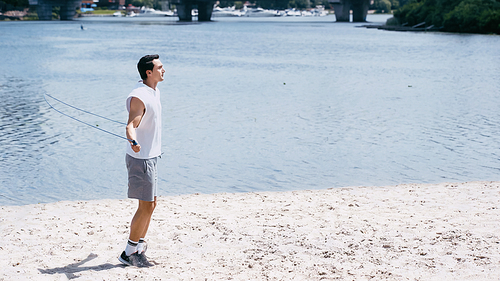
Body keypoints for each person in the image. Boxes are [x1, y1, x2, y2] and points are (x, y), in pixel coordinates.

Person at [118, 54, 165, 267]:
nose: (164, 70)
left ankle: (138, 248)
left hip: (152, 156)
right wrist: (133, 140)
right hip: (142, 158)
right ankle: (128, 253)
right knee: (145, 206)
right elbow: (130, 124)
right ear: (149, 72)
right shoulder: (139, 96)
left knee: (151, 205)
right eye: (160, 67)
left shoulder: (153, 90)